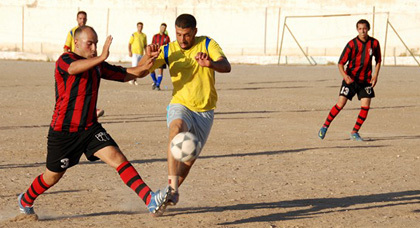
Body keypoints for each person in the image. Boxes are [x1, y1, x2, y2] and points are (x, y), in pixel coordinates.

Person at [18, 26, 170, 218]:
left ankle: (150, 199)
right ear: (76, 43)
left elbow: (133, 73)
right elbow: (74, 69)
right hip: (64, 131)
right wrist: (101, 57)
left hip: (89, 127)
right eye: (90, 43)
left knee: (118, 158)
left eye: (96, 43)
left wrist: (150, 60)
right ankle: (25, 200)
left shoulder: (97, 64)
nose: (94, 47)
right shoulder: (65, 60)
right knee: (52, 176)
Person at [147, 14, 231, 215]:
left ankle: (169, 197)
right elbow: (143, 70)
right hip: (180, 104)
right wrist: (147, 56)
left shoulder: (207, 44)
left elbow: (226, 66)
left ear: (194, 31)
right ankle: (171, 187)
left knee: (187, 159)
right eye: (178, 34)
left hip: (204, 111)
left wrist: (210, 64)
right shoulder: (168, 49)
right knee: (176, 129)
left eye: (186, 35)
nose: (182, 39)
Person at [318, 19, 381, 141]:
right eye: (360, 29)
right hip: (351, 80)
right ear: (357, 30)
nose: (362, 31)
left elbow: (378, 60)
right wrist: (345, 76)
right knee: (340, 104)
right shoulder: (352, 44)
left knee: (366, 107)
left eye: (365, 28)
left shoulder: (374, 43)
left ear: (368, 29)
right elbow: (340, 63)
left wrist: (375, 75)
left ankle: (354, 132)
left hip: (365, 81)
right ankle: (325, 126)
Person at [63, 11, 104, 118]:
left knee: (90, 87)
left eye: (84, 18)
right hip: (76, 63)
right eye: (80, 18)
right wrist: (66, 62)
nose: (82, 20)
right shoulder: (72, 32)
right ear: (77, 19)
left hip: (88, 62)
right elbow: (66, 47)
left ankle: (91, 111)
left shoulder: (89, 32)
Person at [150, 23, 170, 91]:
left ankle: (157, 85)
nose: (163, 29)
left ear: (165, 29)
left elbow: (168, 47)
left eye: (164, 28)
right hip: (155, 55)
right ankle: (155, 82)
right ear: (160, 28)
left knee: (160, 70)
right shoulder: (155, 36)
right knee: (151, 69)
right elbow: (152, 44)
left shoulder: (167, 37)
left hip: (162, 56)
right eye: (162, 27)